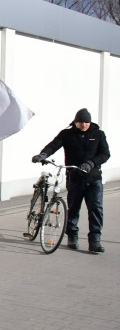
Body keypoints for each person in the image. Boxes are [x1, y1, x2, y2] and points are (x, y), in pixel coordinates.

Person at [33, 108, 110, 253]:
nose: (84, 125)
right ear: (76, 122)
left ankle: (95, 240)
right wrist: (43, 154)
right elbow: (54, 145)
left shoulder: (98, 134)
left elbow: (105, 154)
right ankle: (72, 236)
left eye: (87, 122)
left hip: (94, 179)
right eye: (81, 122)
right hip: (75, 178)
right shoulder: (67, 134)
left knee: (96, 209)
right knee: (73, 208)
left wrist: (90, 163)